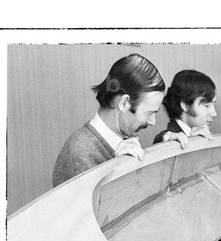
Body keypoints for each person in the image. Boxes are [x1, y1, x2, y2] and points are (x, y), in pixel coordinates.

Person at [53, 54, 165, 187]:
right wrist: (116, 168)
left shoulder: (127, 140)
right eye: (150, 113)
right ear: (124, 103)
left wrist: (168, 147)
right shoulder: (78, 155)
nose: (153, 122)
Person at [153, 69, 217, 145]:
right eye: (206, 105)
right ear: (185, 105)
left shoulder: (202, 133)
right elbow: (162, 139)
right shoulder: (168, 138)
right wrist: (191, 140)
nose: (214, 113)